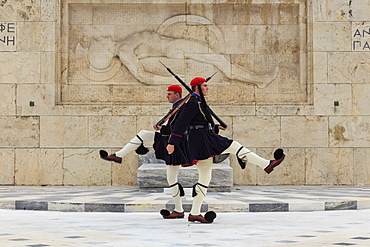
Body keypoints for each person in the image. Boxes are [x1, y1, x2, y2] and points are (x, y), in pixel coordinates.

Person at [166, 77, 285, 223]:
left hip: (202, 136)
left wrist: (216, 127)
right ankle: (266, 164)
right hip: (201, 139)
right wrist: (172, 143)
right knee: (233, 145)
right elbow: (181, 123)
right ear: (197, 87)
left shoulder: (197, 101)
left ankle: (194, 213)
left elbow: (198, 121)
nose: (207, 88)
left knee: (205, 177)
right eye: (205, 86)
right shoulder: (192, 102)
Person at [100, 85, 188, 218]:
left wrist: (162, 129)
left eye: (169, 94)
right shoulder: (176, 108)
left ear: (177, 95)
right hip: (168, 140)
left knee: (172, 179)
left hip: (175, 144)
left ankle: (179, 210)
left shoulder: (183, 108)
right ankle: (118, 155)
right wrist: (161, 127)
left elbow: (178, 129)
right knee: (143, 134)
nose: (167, 96)